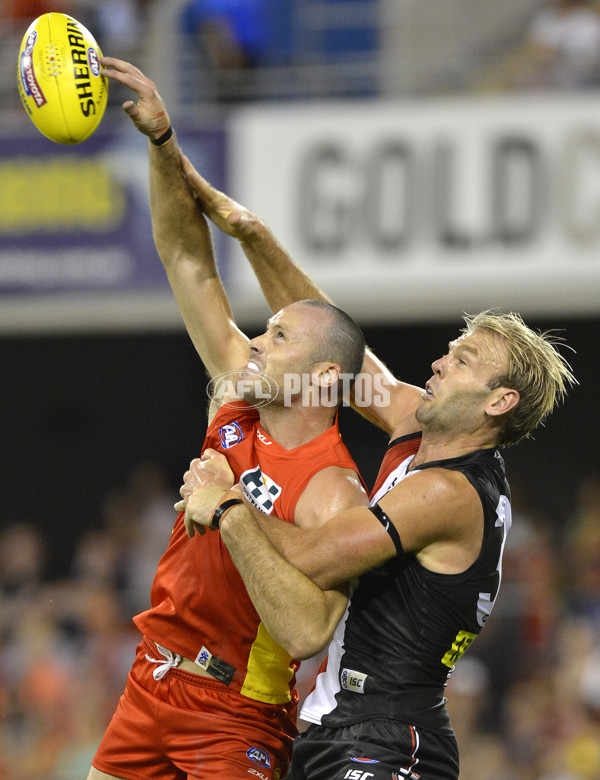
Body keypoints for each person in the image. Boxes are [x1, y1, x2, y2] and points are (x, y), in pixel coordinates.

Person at [174, 164, 576, 779]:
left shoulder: (450, 491)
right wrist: (251, 234)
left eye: (463, 360)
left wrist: (227, 505)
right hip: (341, 726)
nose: (441, 361)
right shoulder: (422, 426)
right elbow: (337, 352)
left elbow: (315, 557)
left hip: (388, 738)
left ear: (499, 402)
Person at [88, 58, 370, 780]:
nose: (256, 342)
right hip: (147, 685)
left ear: (322, 376)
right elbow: (187, 257)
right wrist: (162, 145)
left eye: (278, 337)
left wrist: (231, 511)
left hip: (233, 711)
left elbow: (307, 631)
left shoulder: (335, 490)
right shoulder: (237, 396)